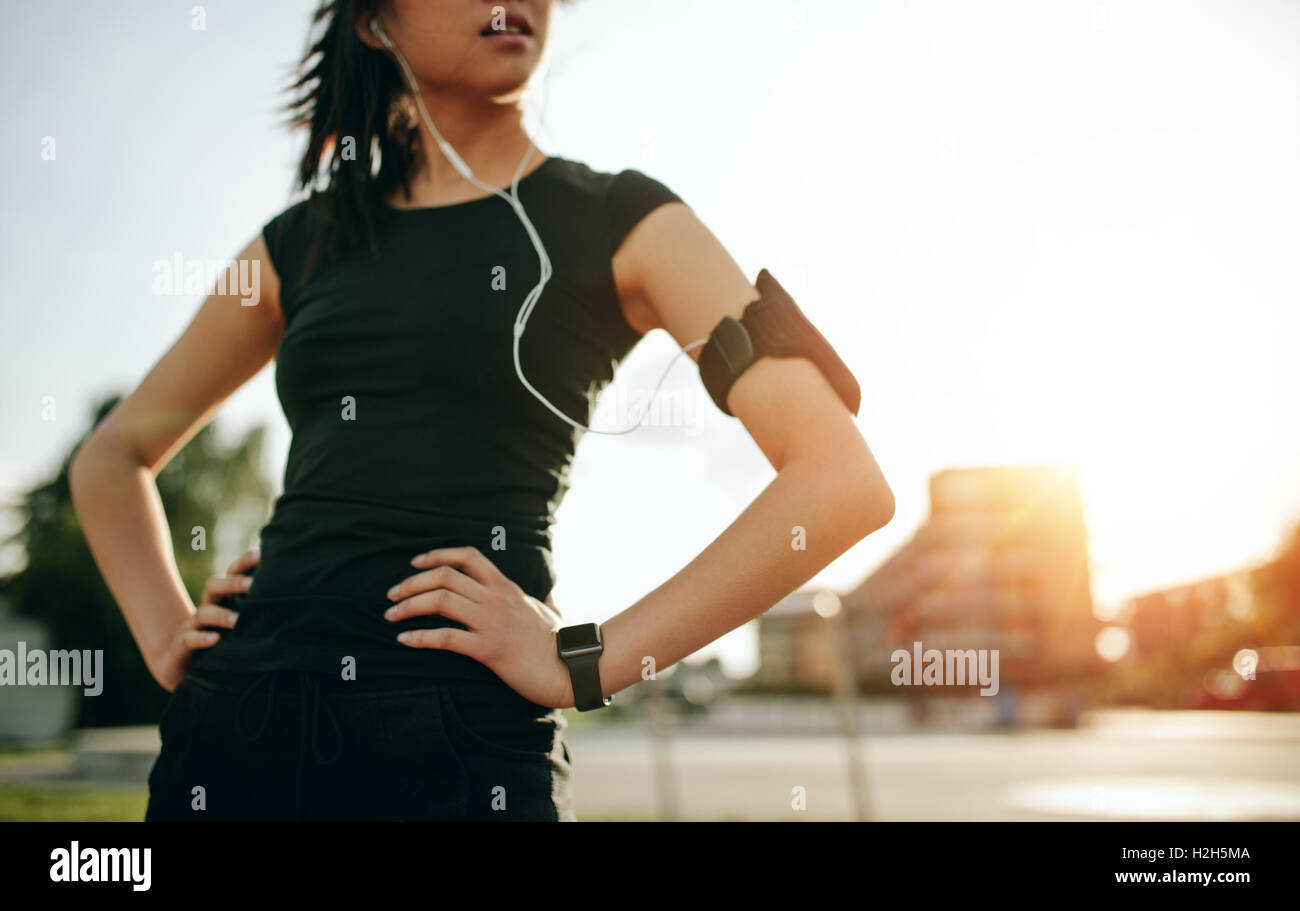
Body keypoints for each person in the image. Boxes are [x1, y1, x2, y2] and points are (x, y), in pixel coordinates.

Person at [69, 0, 895, 821]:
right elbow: (113, 455)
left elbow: (839, 479)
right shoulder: (299, 241)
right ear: (372, 22)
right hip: (236, 727)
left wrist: (587, 660)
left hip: (459, 743)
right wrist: (164, 630)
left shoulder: (623, 219)